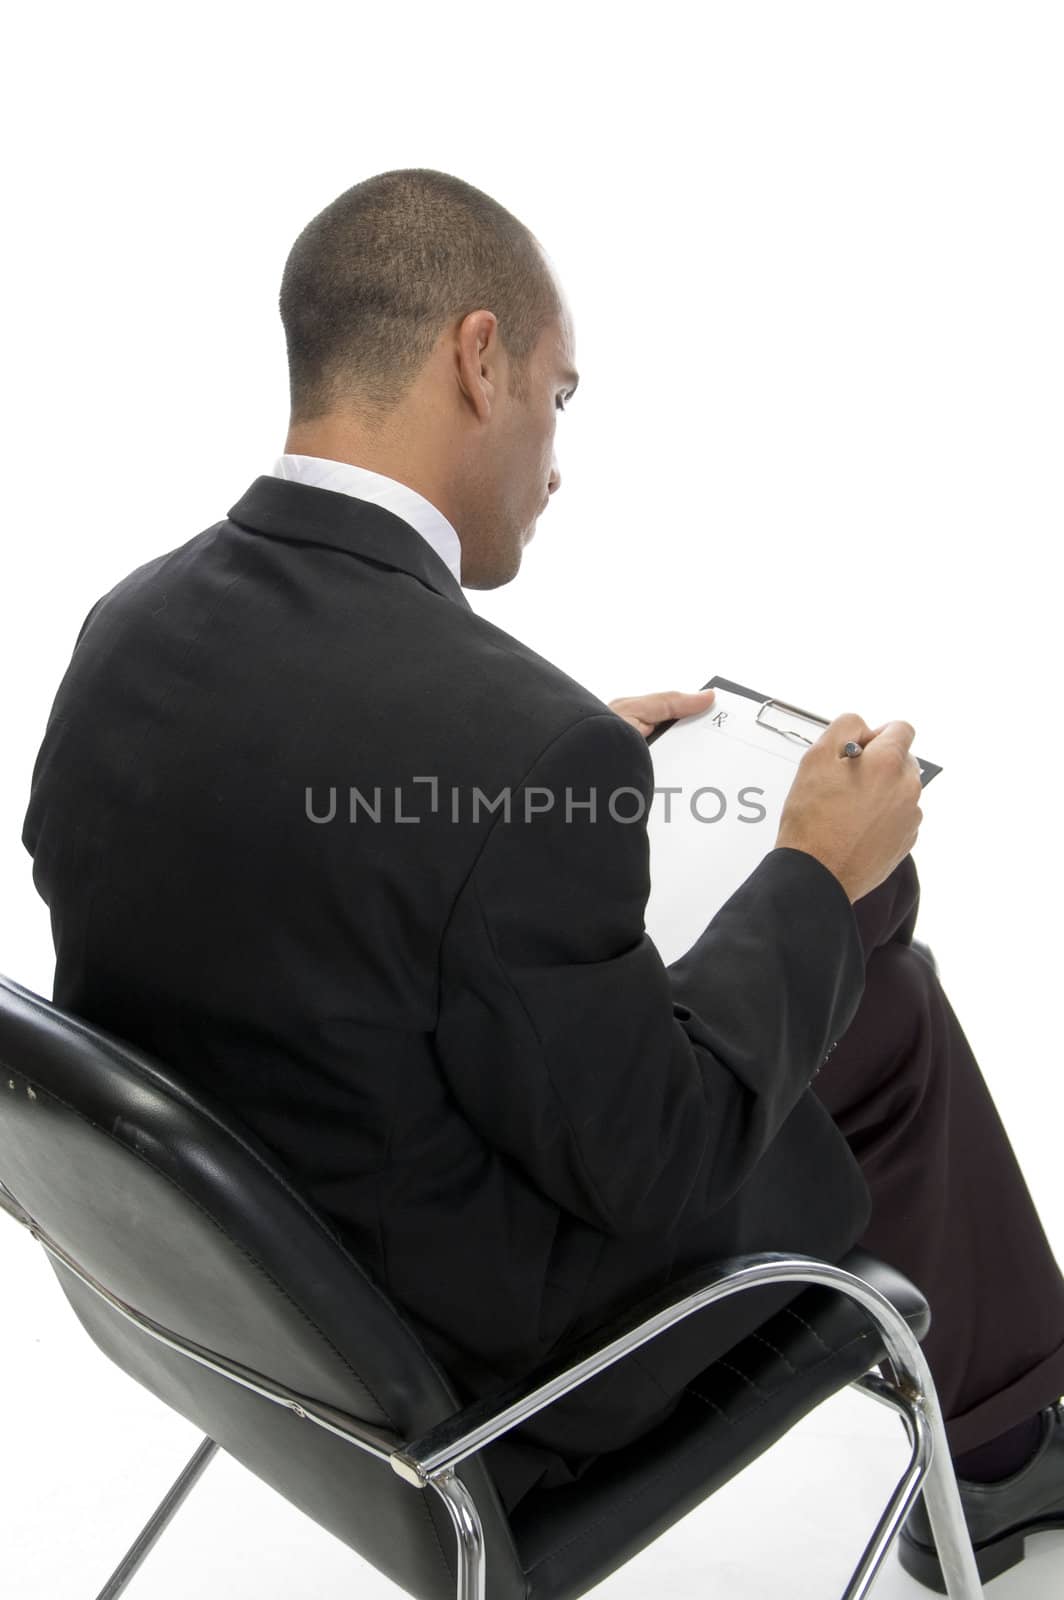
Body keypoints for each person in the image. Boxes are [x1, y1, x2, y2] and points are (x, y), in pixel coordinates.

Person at [21, 167, 1064, 1589]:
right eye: (559, 398)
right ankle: (1006, 1453)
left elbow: (274, 871)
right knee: (877, 969)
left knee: (852, 942)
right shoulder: (508, 744)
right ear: (479, 357)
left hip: (219, 1316)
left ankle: (1001, 1417)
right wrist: (810, 869)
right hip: (481, 1401)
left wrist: (543, 776)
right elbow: (668, 1158)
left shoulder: (124, 629)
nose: (557, 458)